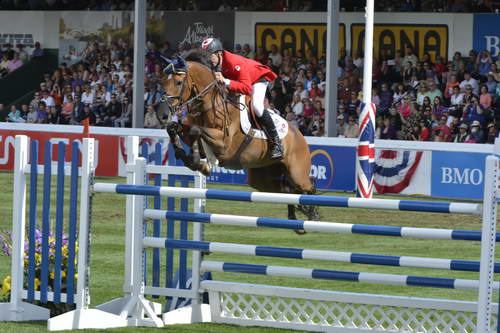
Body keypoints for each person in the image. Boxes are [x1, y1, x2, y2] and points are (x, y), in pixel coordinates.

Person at [201, 37, 282, 159]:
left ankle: (277, 143)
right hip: (243, 81)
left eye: (209, 55)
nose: (208, 59)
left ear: (218, 54)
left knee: (257, 107)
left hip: (258, 79)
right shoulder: (217, 63)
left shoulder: (234, 62)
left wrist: (226, 81)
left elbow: (246, 88)